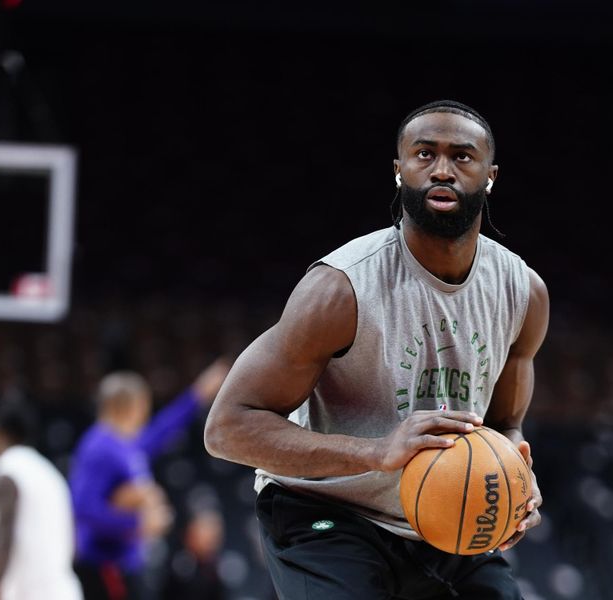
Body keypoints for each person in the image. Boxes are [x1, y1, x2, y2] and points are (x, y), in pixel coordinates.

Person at [204, 99, 550, 599]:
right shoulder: (340, 289)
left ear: (490, 175)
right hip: (326, 511)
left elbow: (504, 425)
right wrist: (378, 452)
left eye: (462, 157)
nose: (442, 170)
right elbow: (227, 428)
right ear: (399, 170)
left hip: (442, 518)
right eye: (425, 154)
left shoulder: (523, 293)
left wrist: (515, 478)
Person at [68, 356, 231, 600]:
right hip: (103, 564)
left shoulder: (123, 444)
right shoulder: (98, 447)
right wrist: (137, 523)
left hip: (121, 563)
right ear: (133, 404)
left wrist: (197, 394)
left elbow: (162, 431)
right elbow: (82, 508)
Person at [0, 397, 83, 600]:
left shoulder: (7, 470)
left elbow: (3, 539)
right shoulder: (50, 473)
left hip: (28, 591)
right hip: (65, 590)